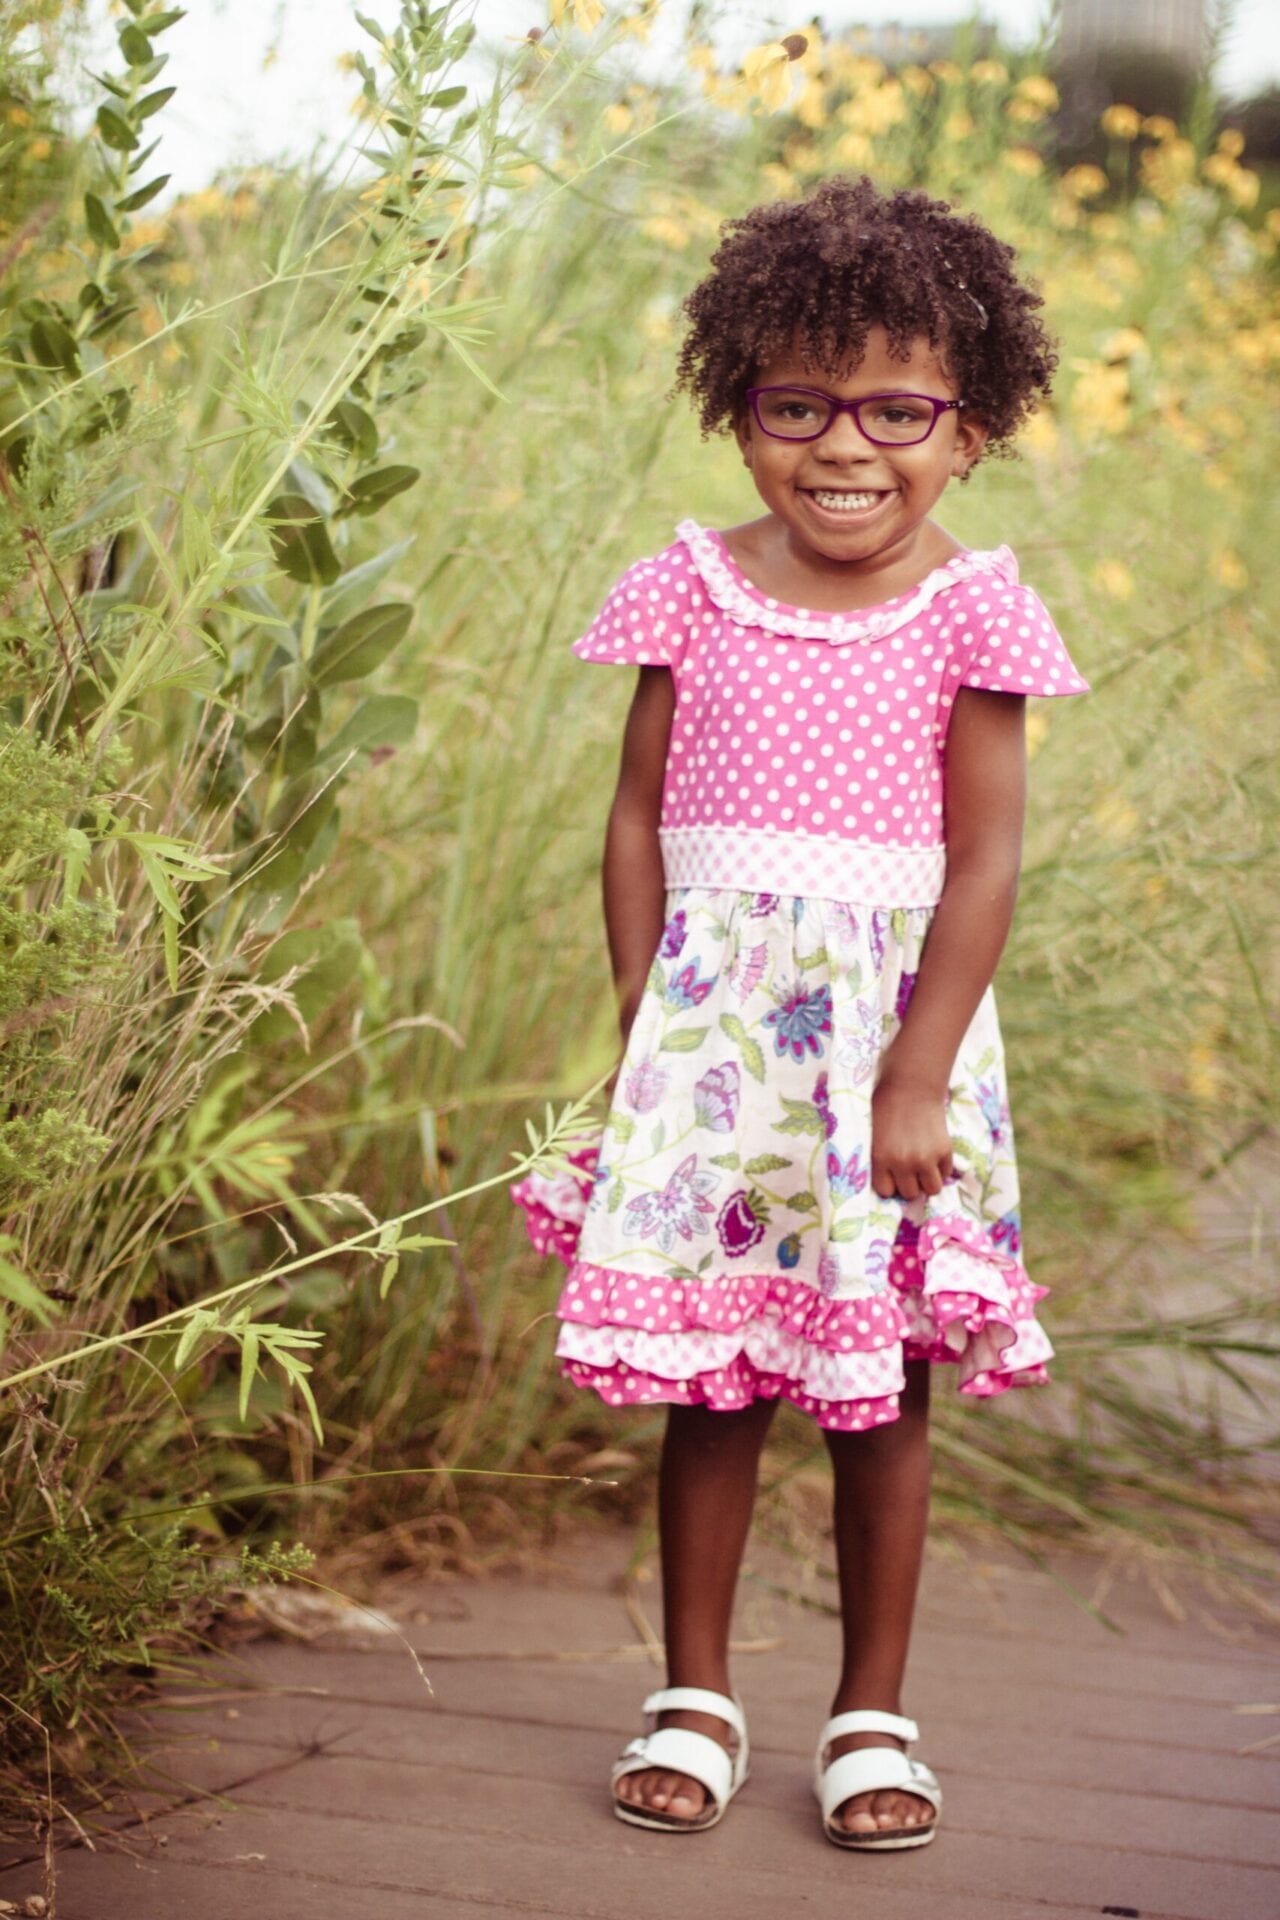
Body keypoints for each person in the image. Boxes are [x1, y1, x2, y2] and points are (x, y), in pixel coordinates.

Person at [514, 175, 1089, 1851]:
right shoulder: (688, 585)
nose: (849, 449)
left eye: (898, 411)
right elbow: (636, 818)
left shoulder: (971, 611)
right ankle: (691, 1691)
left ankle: (870, 1715)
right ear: (738, 412)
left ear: (968, 429)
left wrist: (917, 1076)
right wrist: (645, 1025)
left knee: (881, 1392)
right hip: (716, 1049)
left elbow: (983, 863)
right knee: (714, 1384)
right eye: (798, 409)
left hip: (889, 1060)